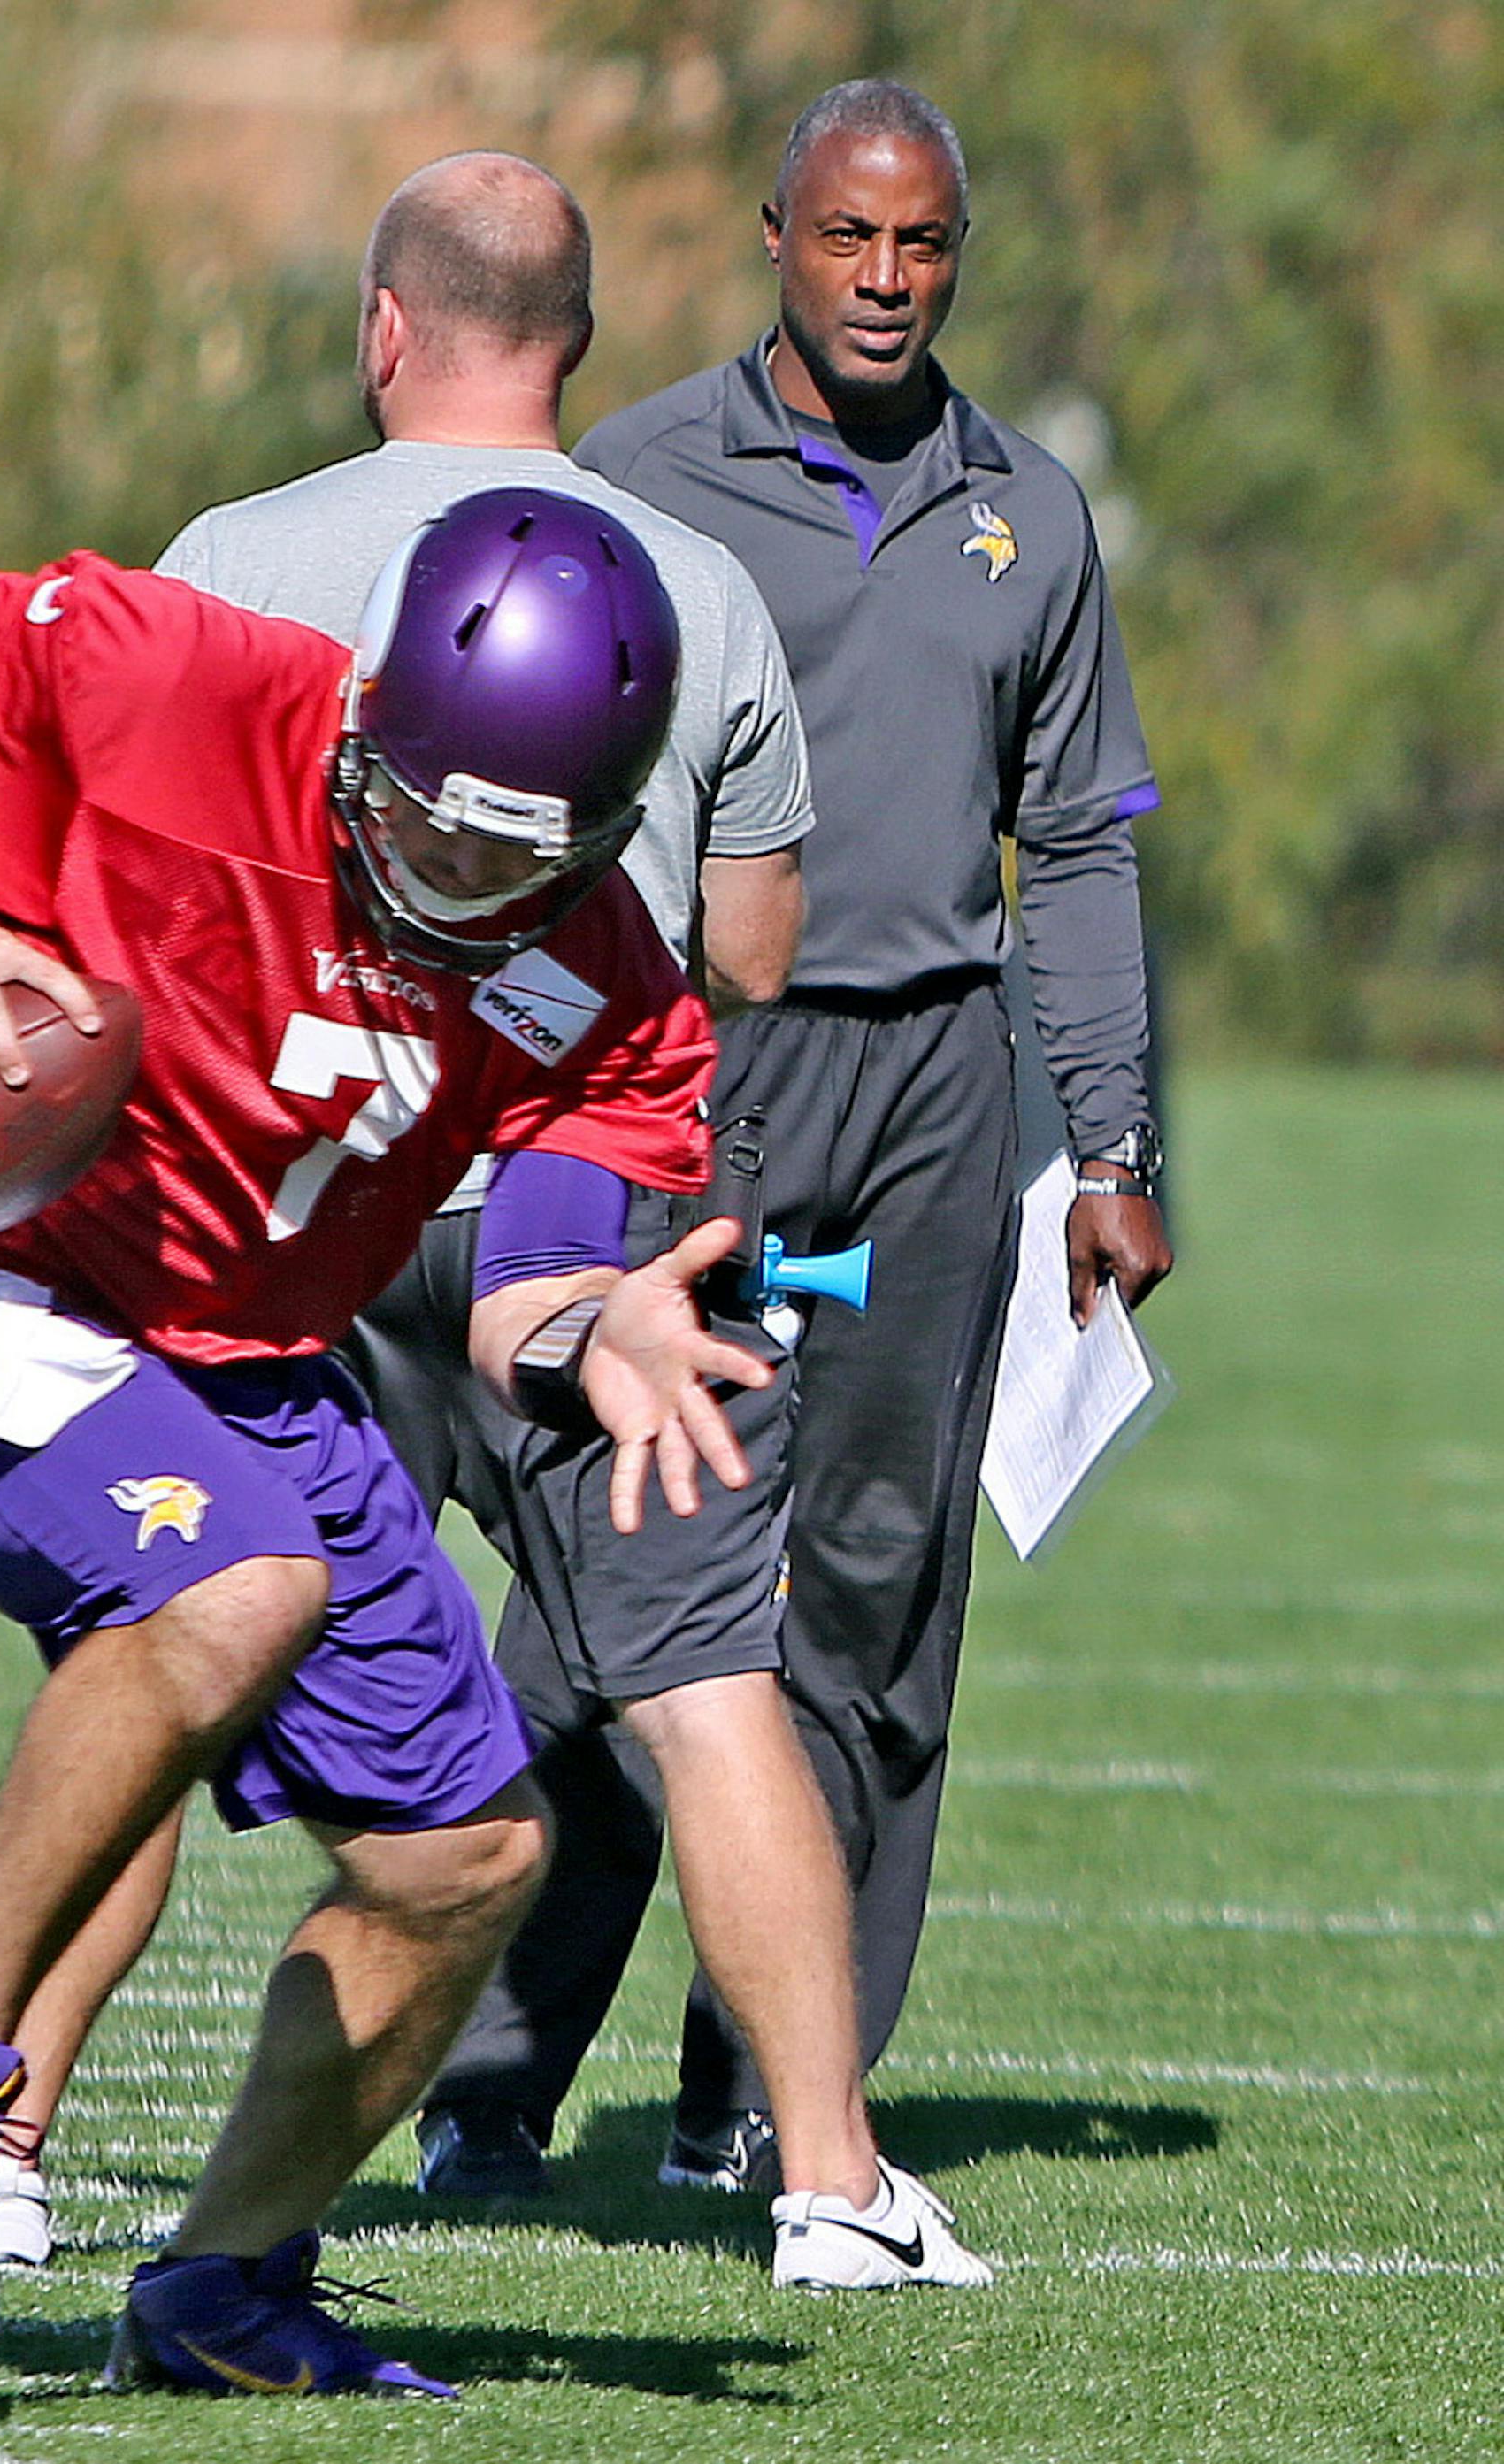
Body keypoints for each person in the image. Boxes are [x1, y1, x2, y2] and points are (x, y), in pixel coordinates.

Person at [0, 151, 992, 2297]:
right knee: (711, 1675)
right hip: (586, 1205)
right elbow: (760, 952)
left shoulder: (234, 553)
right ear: (581, 349)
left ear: (378, 327)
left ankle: (12, 2137)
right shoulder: (692, 578)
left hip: (296, 1198)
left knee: (158, 1667)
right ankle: (828, 2183)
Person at [0, 485, 780, 2397]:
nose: (460, 888)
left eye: (516, 858)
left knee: (466, 1853)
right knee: (243, 1581)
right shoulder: (166, 676)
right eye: (432, 824)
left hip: (238, 1360)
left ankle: (224, 2283)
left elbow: (529, 1277)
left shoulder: (610, 981)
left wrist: (598, 1326)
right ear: (366, 713)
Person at [420, 80, 1174, 2199]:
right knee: (608, 1590)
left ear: (958, 256)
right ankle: (489, 2079)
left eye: (920, 245)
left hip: (937, 1092)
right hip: (697, 1079)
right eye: (846, 238)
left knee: (870, 1591)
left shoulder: (1029, 508)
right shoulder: (640, 475)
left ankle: (759, 2094)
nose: (883, 278)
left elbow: (1086, 850)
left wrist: (1108, 1138)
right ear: (775, 237)